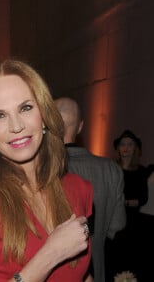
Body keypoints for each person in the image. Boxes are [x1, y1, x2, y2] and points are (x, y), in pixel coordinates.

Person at [0, 59, 94, 282]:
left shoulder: (78, 188)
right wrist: (50, 255)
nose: (16, 126)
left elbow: (81, 275)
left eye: (25, 108)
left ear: (44, 116)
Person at [54, 97, 126, 282]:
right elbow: (117, 225)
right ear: (80, 127)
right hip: (97, 268)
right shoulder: (111, 169)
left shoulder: (45, 170)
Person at [110, 130, 148, 281]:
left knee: (132, 261)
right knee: (114, 260)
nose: (126, 147)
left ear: (136, 148)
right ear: (118, 148)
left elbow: (143, 198)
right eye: (122, 144)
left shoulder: (141, 171)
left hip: (133, 223)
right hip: (113, 221)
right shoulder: (111, 168)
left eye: (130, 144)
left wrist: (125, 202)